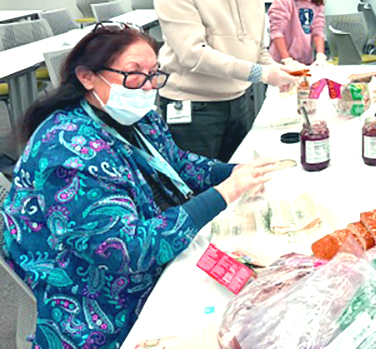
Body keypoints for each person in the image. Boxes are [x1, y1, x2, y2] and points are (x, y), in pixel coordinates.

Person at [1, 24, 278, 349]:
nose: (147, 88)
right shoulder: (68, 151)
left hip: (146, 249)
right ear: (87, 76)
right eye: (134, 75)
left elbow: (177, 164)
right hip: (94, 297)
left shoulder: (136, 116)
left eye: (153, 74)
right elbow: (126, 250)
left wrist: (233, 172)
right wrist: (224, 193)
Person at [155, 0, 296, 162]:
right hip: (193, 109)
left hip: (238, 103)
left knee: (237, 179)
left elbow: (257, 51)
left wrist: (283, 69)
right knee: (195, 184)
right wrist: (263, 74)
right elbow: (193, 55)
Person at [268, 0, 328, 70]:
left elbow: (318, 31)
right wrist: (287, 60)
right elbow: (276, 33)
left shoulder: (316, 1)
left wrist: (320, 56)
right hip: (281, 62)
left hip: (305, 61)